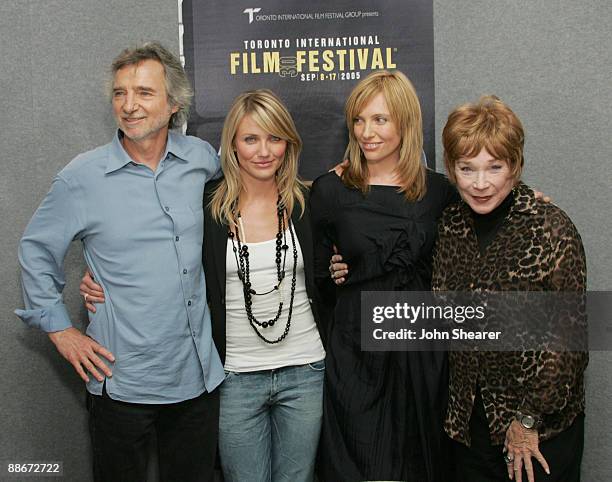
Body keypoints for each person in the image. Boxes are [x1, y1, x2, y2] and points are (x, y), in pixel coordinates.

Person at [82, 89, 327, 482]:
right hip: (234, 376)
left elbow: (334, 267)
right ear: (231, 145)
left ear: (288, 144)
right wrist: (98, 277)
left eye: (274, 138)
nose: (263, 151)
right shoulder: (206, 206)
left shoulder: (310, 203)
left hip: (305, 370)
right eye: (250, 139)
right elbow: (155, 251)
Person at [15, 42, 224, 482]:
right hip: (122, 381)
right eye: (119, 93)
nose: (129, 106)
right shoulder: (81, 178)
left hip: (196, 376)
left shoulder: (202, 161)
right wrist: (60, 328)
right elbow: (36, 249)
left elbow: (254, 192)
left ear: (174, 104)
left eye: (144, 93)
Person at [310, 70, 458, 481]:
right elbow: (319, 280)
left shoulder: (439, 191)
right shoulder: (330, 191)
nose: (366, 132)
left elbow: (489, 197)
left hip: (420, 357)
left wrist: (527, 199)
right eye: (359, 120)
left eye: (380, 120)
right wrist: (339, 276)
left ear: (405, 123)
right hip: (356, 356)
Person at [432, 95, 587, 482]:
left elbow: (569, 339)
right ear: (452, 169)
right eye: (467, 168)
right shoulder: (447, 226)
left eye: (494, 167)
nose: (480, 183)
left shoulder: (551, 228)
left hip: (539, 433)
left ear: (514, 167)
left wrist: (528, 419)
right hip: (468, 430)